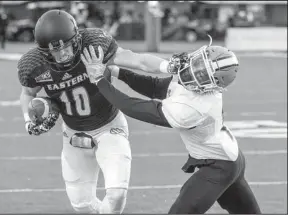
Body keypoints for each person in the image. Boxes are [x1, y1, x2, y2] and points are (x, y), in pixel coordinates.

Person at [80, 40, 262, 214]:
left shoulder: (194, 109)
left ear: (211, 85)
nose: (193, 70)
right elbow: (155, 86)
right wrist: (117, 72)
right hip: (231, 155)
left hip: (219, 166)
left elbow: (133, 107)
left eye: (200, 73)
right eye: (198, 62)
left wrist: (99, 81)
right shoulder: (196, 85)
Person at [18, 10, 170, 214]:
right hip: (73, 134)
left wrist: (168, 65)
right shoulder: (34, 66)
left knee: (116, 194)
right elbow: (27, 93)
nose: (62, 54)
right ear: (45, 52)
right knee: (82, 205)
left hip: (109, 126)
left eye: (66, 46)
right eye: (55, 51)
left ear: (76, 39)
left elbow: (137, 60)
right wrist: (29, 120)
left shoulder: (94, 45)